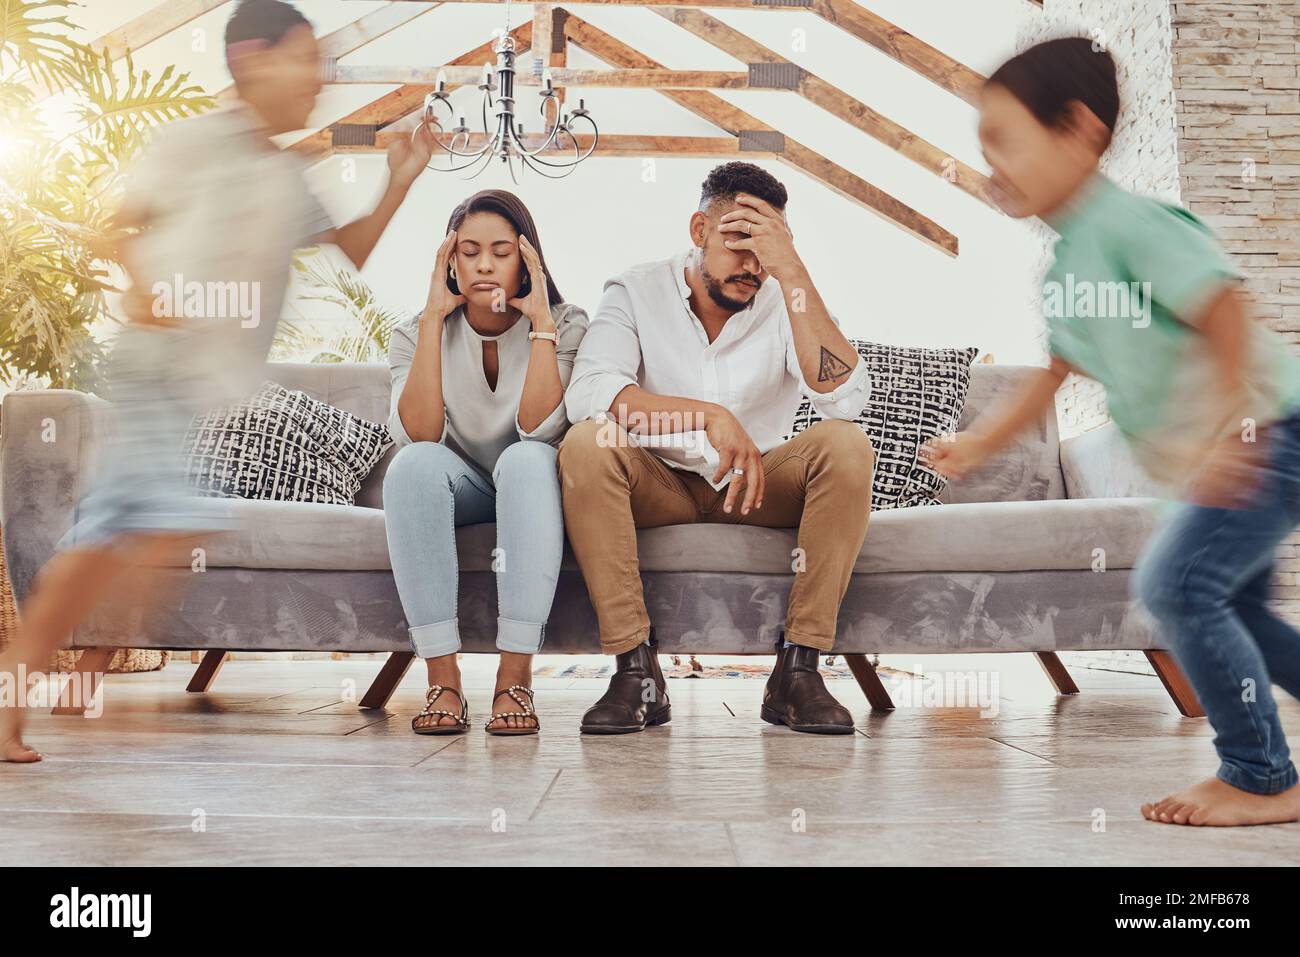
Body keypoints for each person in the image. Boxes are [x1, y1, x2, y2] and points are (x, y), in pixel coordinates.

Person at [0, 0, 434, 762]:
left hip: (199, 384)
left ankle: (69, 683)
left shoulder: (286, 173)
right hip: (158, 370)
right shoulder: (190, 141)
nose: (317, 79)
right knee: (124, 533)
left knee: (142, 530)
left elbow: (352, 251)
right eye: (303, 60)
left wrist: (400, 176)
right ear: (249, 61)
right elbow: (118, 224)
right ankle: (23, 694)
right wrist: (149, 294)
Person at [923, 37, 1300, 826]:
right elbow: (1052, 378)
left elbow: (1223, 310)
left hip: (1270, 428)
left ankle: (1261, 776)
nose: (991, 163)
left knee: (1176, 584)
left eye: (1004, 140)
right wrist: (979, 444)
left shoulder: (1129, 224)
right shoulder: (1066, 271)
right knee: (1241, 611)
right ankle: (1264, 770)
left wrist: (1232, 429)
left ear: (1080, 132)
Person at [558, 161, 875, 736]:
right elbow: (590, 396)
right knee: (587, 443)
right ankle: (636, 673)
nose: (751, 266)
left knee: (846, 445)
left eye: (765, 249)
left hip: (754, 486)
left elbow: (845, 399)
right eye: (737, 243)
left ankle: (797, 673)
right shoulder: (635, 290)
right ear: (698, 230)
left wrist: (795, 273)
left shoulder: (783, 296)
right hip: (660, 483)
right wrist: (707, 418)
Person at [384, 190, 587, 736]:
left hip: (533, 483)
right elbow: (419, 436)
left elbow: (541, 429)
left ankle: (515, 675)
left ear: (527, 260)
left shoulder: (566, 324)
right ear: (449, 261)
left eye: (501, 251)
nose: (483, 264)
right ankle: (442, 678)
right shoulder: (412, 332)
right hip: (464, 485)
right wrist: (433, 319)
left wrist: (541, 324)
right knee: (411, 467)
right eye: (468, 251)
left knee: (525, 459)